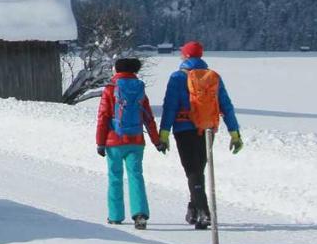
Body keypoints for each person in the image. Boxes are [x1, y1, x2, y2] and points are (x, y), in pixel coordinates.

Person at [158, 41, 243, 229]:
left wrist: (163, 133)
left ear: (185, 56)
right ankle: (193, 210)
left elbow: (170, 107)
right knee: (198, 170)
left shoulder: (177, 77)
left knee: (192, 171)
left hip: (183, 129)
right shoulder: (213, 77)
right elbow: (226, 106)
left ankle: (204, 211)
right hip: (207, 129)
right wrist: (234, 133)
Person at [96, 57, 161, 229]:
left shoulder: (110, 89)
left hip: (114, 140)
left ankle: (115, 215)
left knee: (115, 177)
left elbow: (103, 117)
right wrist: (156, 140)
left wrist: (100, 142)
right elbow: (148, 116)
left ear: (116, 70)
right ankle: (140, 214)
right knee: (136, 176)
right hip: (136, 140)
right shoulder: (139, 89)